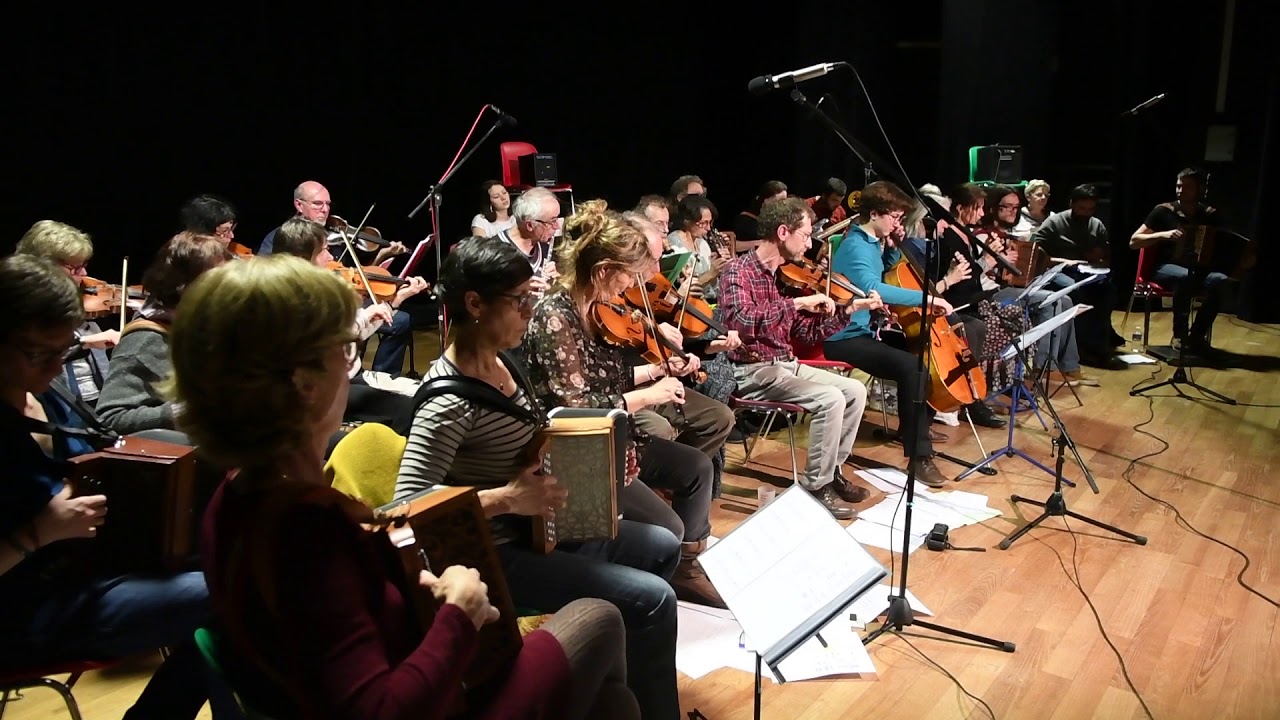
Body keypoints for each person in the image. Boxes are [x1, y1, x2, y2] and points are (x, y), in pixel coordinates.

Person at [179, 255, 636, 720]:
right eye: (346, 348)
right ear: (302, 384)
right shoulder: (309, 532)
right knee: (601, 620)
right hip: (440, 698)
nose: (349, 366)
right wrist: (459, 613)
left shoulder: (228, 498)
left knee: (615, 702)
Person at [396, 235, 681, 720]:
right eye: (520, 299)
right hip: (501, 553)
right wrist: (505, 499)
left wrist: (600, 463)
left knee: (662, 543)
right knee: (655, 600)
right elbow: (404, 507)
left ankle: (616, 675)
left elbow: (532, 439)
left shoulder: (506, 361)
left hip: (542, 530)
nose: (531, 309)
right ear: (474, 304)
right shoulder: (447, 403)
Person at [0, 254, 231, 719]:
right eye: (37, 353)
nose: (52, 367)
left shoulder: (43, 398)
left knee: (244, 564)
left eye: (61, 351)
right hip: (30, 613)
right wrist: (39, 532)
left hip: (86, 574)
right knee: (234, 594)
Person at [519, 200, 725, 609]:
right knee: (666, 526)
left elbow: (605, 380)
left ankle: (685, 568)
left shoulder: (596, 309)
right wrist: (648, 397)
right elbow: (576, 407)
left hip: (617, 438)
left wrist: (655, 375)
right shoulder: (555, 317)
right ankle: (636, 600)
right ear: (601, 272)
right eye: (627, 274)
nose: (631, 284)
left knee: (695, 467)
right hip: (578, 456)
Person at [718, 197, 876, 519]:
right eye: (805, 235)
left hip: (785, 365)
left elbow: (804, 334)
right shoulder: (738, 272)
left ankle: (831, 473)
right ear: (783, 232)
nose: (809, 243)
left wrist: (847, 311)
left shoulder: (781, 277)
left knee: (855, 391)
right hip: (753, 370)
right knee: (831, 399)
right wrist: (797, 305)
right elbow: (742, 323)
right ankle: (816, 488)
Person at [824, 181, 957, 487]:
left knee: (922, 350)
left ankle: (916, 428)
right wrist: (928, 299)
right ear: (875, 214)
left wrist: (894, 250)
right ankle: (919, 456)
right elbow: (877, 288)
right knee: (912, 366)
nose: (899, 223)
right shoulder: (856, 245)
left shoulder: (872, 242)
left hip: (865, 330)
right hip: (843, 335)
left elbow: (881, 271)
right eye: (895, 217)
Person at [96, 231, 232, 434]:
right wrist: (181, 412)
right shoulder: (144, 340)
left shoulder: (198, 323)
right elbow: (109, 418)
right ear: (185, 286)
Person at [1129, 168, 1237, 353]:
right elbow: (1134, 241)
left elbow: (1224, 244)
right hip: (1165, 268)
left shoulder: (1210, 215)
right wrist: (1164, 234)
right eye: (1179, 186)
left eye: (1187, 187)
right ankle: (1179, 335)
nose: (1180, 190)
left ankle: (1196, 336)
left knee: (1221, 282)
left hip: (1200, 268)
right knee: (1184, 277)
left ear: (1200, 189)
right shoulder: (1163, 211)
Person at [15, 220, 119, 407]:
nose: (84, 273)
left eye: (84, 264)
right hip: (55, 403)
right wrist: (85, 342)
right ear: (43, 265)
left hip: (94, 400)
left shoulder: (80, 304)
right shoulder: (22, 307)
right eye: (75, 268)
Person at [1032, 184, 1126, 367]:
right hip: (1058, 270)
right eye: (1082, 208)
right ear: (1071, 204)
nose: (1086, 213)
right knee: (1075, 291)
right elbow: (1036, 252)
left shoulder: (1096, 225)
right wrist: (1063, 261)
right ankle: (1079, 347)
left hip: (1087, 271)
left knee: (1108, 291)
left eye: (1090, 209)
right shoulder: (1055, 222)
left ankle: (1099, 345)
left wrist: (1098, 259)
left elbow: (1106, 256)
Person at [498, 187, 561, 290]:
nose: (557, 226)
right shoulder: (497, 252)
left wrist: (555, 283)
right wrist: (523, 291)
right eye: (552, 221)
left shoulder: (545, 244)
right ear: (530, 225)